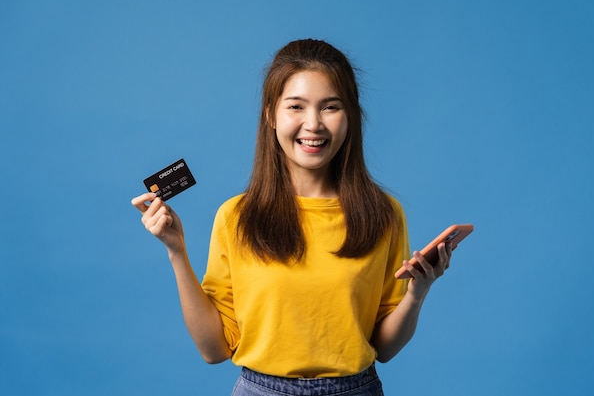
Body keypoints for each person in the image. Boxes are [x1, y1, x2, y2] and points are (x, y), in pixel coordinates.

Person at [131, 39, 452, 396]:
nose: (313, 124)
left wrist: (417, 292)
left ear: (351, 116)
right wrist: (176, 250)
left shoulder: (384, 214)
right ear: (271, 114)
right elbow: (214, 350)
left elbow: (386, 348)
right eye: (296, 106)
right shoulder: (236, 216)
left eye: (330, 107)